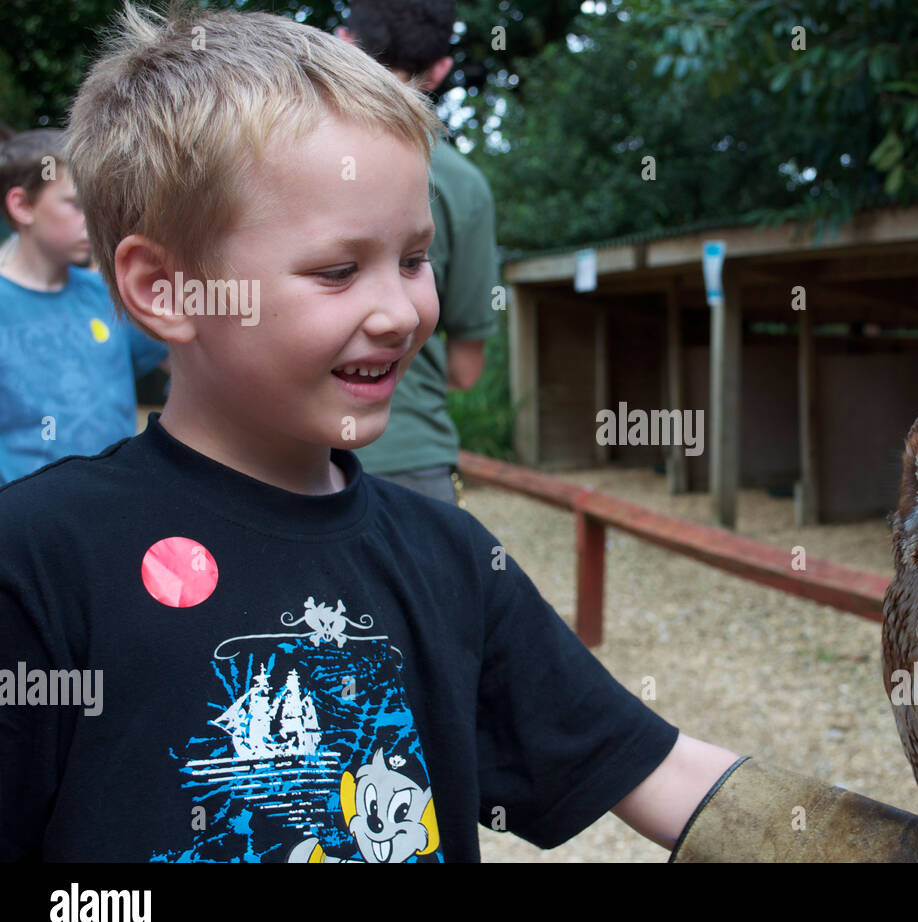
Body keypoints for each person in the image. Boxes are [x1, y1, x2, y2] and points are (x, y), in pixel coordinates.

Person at [0, 2, 738, 863]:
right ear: (166, 289)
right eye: (339, 270)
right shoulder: (38, 558)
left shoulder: (452, 557)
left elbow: (659, 769)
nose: (401, 311)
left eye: (416, 259)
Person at [339, 0, 497, 507]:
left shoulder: (276, 158)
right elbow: (466, 371)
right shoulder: (463, 186)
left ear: (343, 44)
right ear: (441, 70)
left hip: (282, 455)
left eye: (413, 262)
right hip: (412, 462)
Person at [0, 128, 168, 483]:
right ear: (22, 205)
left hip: (115, 508)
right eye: (76, 205)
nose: (91, 220)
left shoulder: (108, 295)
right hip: (25, 525)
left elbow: (187, 361)